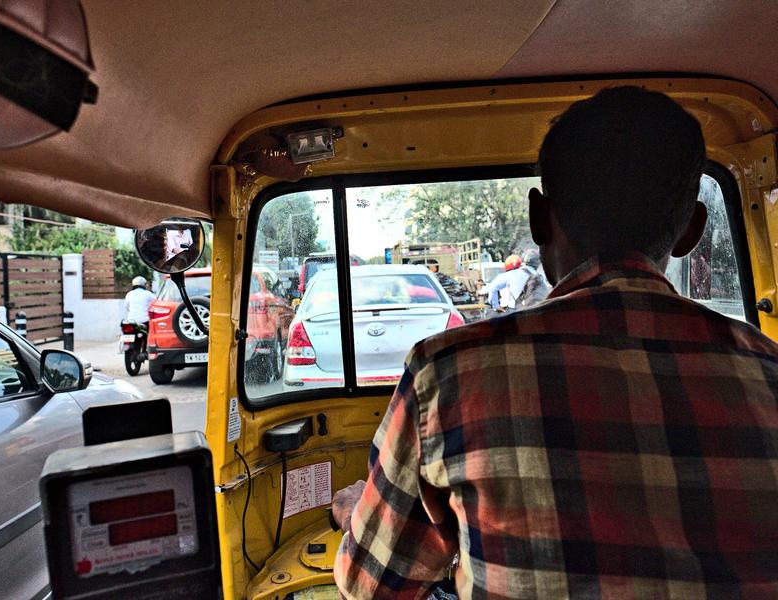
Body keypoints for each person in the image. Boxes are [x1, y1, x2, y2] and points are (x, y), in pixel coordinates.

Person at [332, 86, 778, 599]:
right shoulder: (768, 369)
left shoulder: (448, 373)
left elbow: (371, 586)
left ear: (539, 219)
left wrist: (353, 515)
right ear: (692, 231)